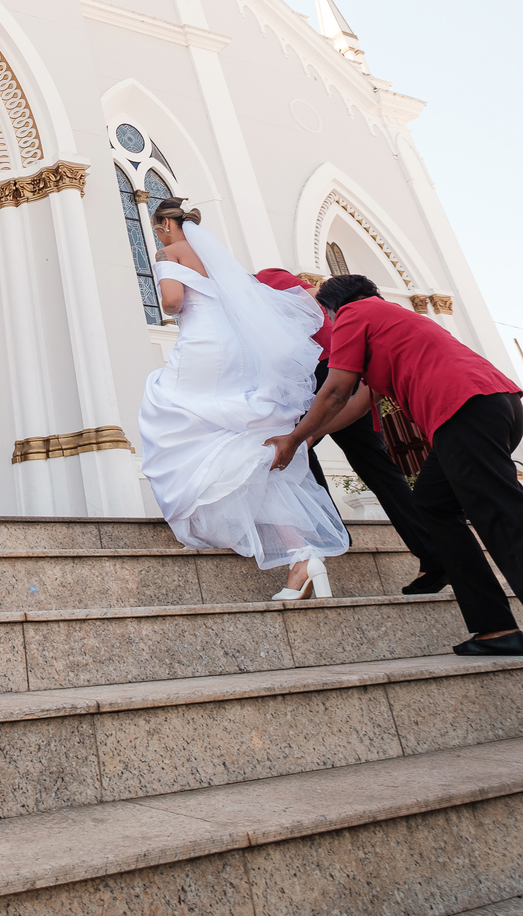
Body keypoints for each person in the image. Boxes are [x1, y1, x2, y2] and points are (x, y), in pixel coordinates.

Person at [266, 273, 523, 656]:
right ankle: (494, 628)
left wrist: (291, 436)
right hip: (494, 404)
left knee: (502, 514)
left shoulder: (354, 315)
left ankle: (499, 628)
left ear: (334, 309)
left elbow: (336, 390)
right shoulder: (390, 317)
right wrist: (307, 437)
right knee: (434, 503)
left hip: (464, 409)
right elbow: (357, 403)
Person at [138, 200, 347, 597]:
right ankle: (300, 554)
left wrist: (166, 281)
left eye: (157, 227)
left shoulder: (170, 251)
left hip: (202, 343)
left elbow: (173, 301)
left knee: (168, 407)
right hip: (233, 348)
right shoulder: (216, 257)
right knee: (233, 432)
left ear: (166, 224)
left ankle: (295, 549)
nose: (157, 235)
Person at [256, 267, 448, 595]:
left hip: (324, 366)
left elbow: (313, 298)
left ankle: (326, 533)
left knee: (296, 448)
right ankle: (432, 554)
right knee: (374, 466)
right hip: (338, 364)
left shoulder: (265, 277)